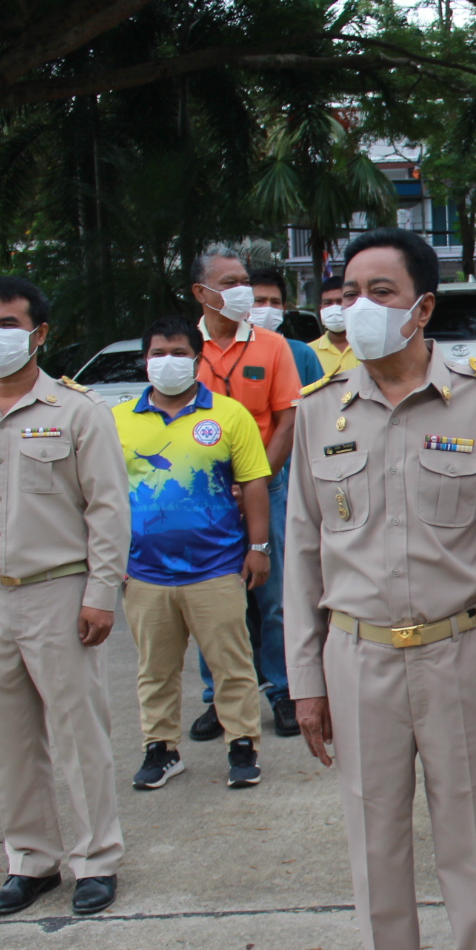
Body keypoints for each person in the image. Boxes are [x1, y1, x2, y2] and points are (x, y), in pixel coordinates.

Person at [284, 226, 476, 950]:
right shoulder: (320, 409)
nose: (361, 307)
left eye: (382, 292)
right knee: (375, 838)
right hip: (357, 656)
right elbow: (300, 556)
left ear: (423, 307)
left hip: (461, 649)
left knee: (470, 838)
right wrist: (306, 680)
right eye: (350, 290)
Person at [0, 277, 130, 917]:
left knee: (78, 734)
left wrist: (101, 591)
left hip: (59, 593)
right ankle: (31, 860)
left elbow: (108, 507)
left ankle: (97, 860)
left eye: (8, 324)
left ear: (39, 334)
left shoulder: (77, 412)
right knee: (8, 738)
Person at [115, 317, 273, 791]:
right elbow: (98, 494)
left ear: (198, 360)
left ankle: (242, 745)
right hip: (144, 571)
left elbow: (255, 484)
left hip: (217, 566)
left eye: (179, 353)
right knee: (155, 668)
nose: (168, 362)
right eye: (158, 353)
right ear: (145, 361)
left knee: (232, 664)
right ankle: (160, 749)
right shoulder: (116, 421)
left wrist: (258, 548)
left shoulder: (228, 416)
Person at [186, 244, 303, 742]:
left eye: (243, 281)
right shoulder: (182, 351)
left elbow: (287, 418)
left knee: (273, 598)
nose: (241, 291)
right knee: (213, 599)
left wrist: (257, 478)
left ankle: (282, 690)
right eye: (229, 282)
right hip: (204, 495)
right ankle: (221, 697)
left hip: (267, 487)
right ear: (201, 292)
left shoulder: (272, 347)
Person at [250, 265, 329, 391]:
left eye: (275, 302)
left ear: (284, 308)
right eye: (260, 300)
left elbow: (319, 402)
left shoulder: (303, 354)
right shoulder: (233, 351)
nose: (268, 308)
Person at [309, 274, 359, 378]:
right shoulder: (309, 352)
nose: (334, 308)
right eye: (328, 303)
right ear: (320, 309)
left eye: (340, 301)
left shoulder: (369, 348)